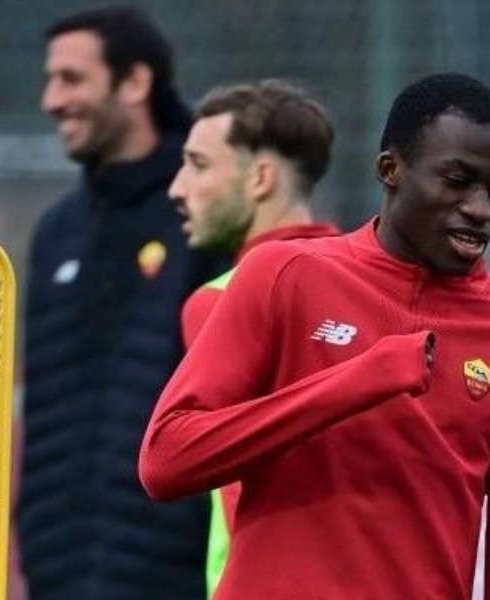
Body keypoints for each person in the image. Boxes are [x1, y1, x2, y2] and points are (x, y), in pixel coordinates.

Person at [140, 72, 490, 599]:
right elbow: (166, 461)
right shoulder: (281, 275)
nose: (482, 209)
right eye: (457, 181)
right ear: (390, 170)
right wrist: (357, 382)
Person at [17, 5, 228, 599]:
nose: (51, 101)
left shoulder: (207, 219)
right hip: (59, 573)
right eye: (50, 79)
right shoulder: (56, 230)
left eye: (72, 78)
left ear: (135, 82)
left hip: (175, 579)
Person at [168, 78, 339, 595]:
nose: (178, 187)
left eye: (199, 165)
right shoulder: (375, 289)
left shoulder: (220, 303)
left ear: (262, 177)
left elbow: (237, 485)